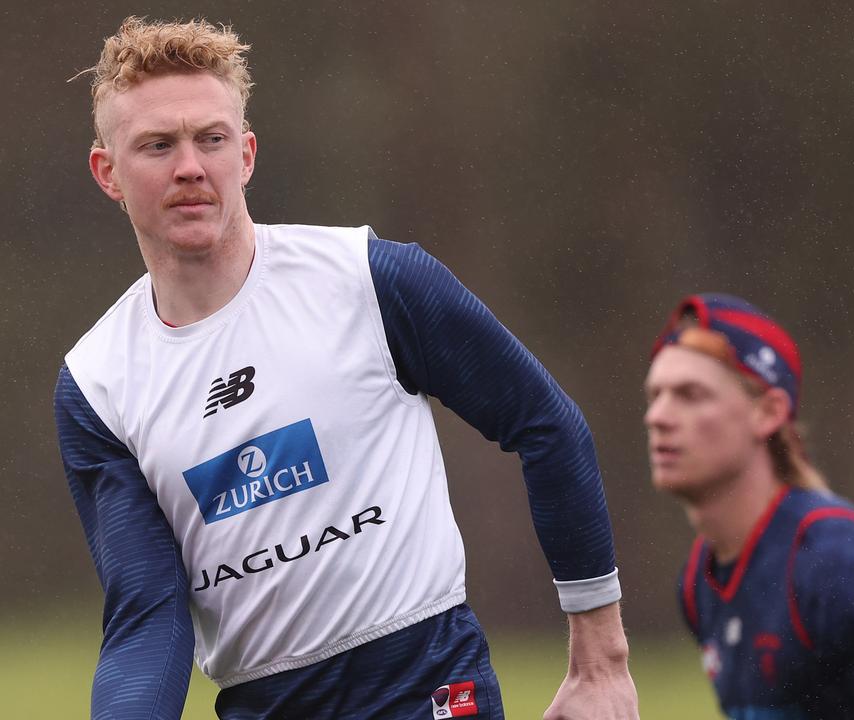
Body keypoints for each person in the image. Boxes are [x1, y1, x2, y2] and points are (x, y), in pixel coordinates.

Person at [55, 16, 637, 720]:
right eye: (157, 145)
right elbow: (148, 615)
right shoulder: (97, 382)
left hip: (425, 682)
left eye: (210, 139)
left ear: (245, 155)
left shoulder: (368, 279)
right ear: (106, 172)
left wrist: (602, 663)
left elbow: (548, 426)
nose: (189, 166)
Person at [644, 293, 854, 719]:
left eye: (690, 395)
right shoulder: (699, 580)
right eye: (655, 395)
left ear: (768, 413)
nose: (658, 417)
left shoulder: (840, 565)